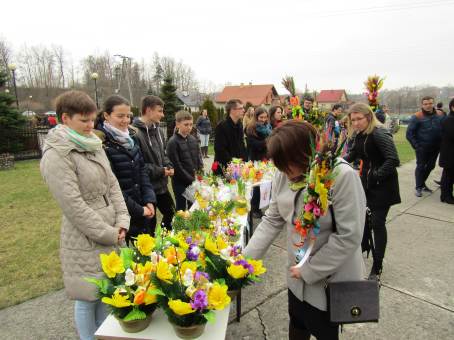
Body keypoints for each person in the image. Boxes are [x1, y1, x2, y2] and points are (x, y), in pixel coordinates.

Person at [243, 120, 366, 340]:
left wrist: (310, 270)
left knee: (323, 329)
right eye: (280, 165)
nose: (283, 171)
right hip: (296, 275)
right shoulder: (284, 172)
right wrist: (244, 262)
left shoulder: (341, 176)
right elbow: (273, 219)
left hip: (327, 278)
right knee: (297, 323)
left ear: (305, 153)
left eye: (287, 163)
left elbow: (350, 236)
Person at [40, 91, 129, 340]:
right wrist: (109, 233)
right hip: (84, 238)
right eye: (84, 120)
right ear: (65, 118)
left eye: (92, 120)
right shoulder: (57, 155)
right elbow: (73, 206)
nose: (91, 126)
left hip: (111, 230)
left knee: (105, 294)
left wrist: (122, 220)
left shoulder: (93, 144)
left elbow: (113, 186)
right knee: (87, 297)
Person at [344, 103, 401, 279]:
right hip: (366, 184)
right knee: (363, 220)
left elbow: (393, 160)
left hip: (383, 186)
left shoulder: (379, 132)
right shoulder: (360, 134)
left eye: (359, 119)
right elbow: (352, 155)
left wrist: (375, 176)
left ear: (368, 117)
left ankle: (377, 266)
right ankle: (363, 249)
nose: (355, 123)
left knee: (377, 223)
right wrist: (333, 162)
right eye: (352, 120)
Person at [95, 95, 157, 242]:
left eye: (128, 116)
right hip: (121, 215)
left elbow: (142, 170)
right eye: (120, 116)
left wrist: (149, 200)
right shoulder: (103, 145)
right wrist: (139, 210)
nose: (125, 120)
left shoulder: (132, 137)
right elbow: (112, 186)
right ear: (106, 115)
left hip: (142, 208)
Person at [132, 95, 175, 230]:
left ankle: (165, 241)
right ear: (149, 110)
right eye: (160, 111)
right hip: (147, 189)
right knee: (150, 223)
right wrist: (161, 171)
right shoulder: (135, 133)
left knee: (171, 213)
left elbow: (163, 154)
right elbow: (139, 165)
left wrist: (169, 165)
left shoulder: (158, 131)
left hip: (162, 185)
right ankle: (153, 248)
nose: (162, 115)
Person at [406, 96, 445, 197]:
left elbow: (445, 128)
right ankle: (418, 187)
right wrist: (417, 146)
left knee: (431, 166)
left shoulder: (441, 114)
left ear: (433, 103)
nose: (428, 106)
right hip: (422, 147)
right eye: (426, 104)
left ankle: (422, 184)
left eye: (430, 103)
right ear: (422, 105)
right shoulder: (417, 116)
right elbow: (409, 134)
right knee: (421, 166)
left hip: (436, 147)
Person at [167, 110, 204, 211]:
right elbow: (177, 166)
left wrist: (200, 173)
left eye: (191, 124)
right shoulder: (173, 142)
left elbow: (198, 157)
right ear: (177, 124)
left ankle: (193, 226)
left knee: (194, 206)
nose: (189, 127)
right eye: (186, 124)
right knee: (181, 209)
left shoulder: (193, 139)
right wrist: (191, 179)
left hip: (193, 181)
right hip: (180, 183)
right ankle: (182, 227)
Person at [246, 107, 272, 218]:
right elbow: (253, 145)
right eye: (261, 117)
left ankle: (261, 207)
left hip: (266, 159)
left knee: (266, 184)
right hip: (256, 159)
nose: (263, 119)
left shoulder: (268, 127)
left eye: (265, 117)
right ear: (256, 117)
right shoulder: (251, 128)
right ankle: (254, 208)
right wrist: (267, 141)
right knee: (257, 185)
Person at [213, 99, 247, 174]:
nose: (244, 110)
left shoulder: (239, 125)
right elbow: (220, 150)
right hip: (224, 168)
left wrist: (244, 160)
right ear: (232, 110)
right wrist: (233, 163)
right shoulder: (222, 126)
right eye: (241, 108)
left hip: (238, 167)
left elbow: (241, 145)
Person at [439, 98, 454, 204]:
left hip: (450, 154)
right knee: (448, 177)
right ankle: (446, 196)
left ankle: (446, 195)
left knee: (448, 176)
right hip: (450, 154)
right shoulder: (450, 119)